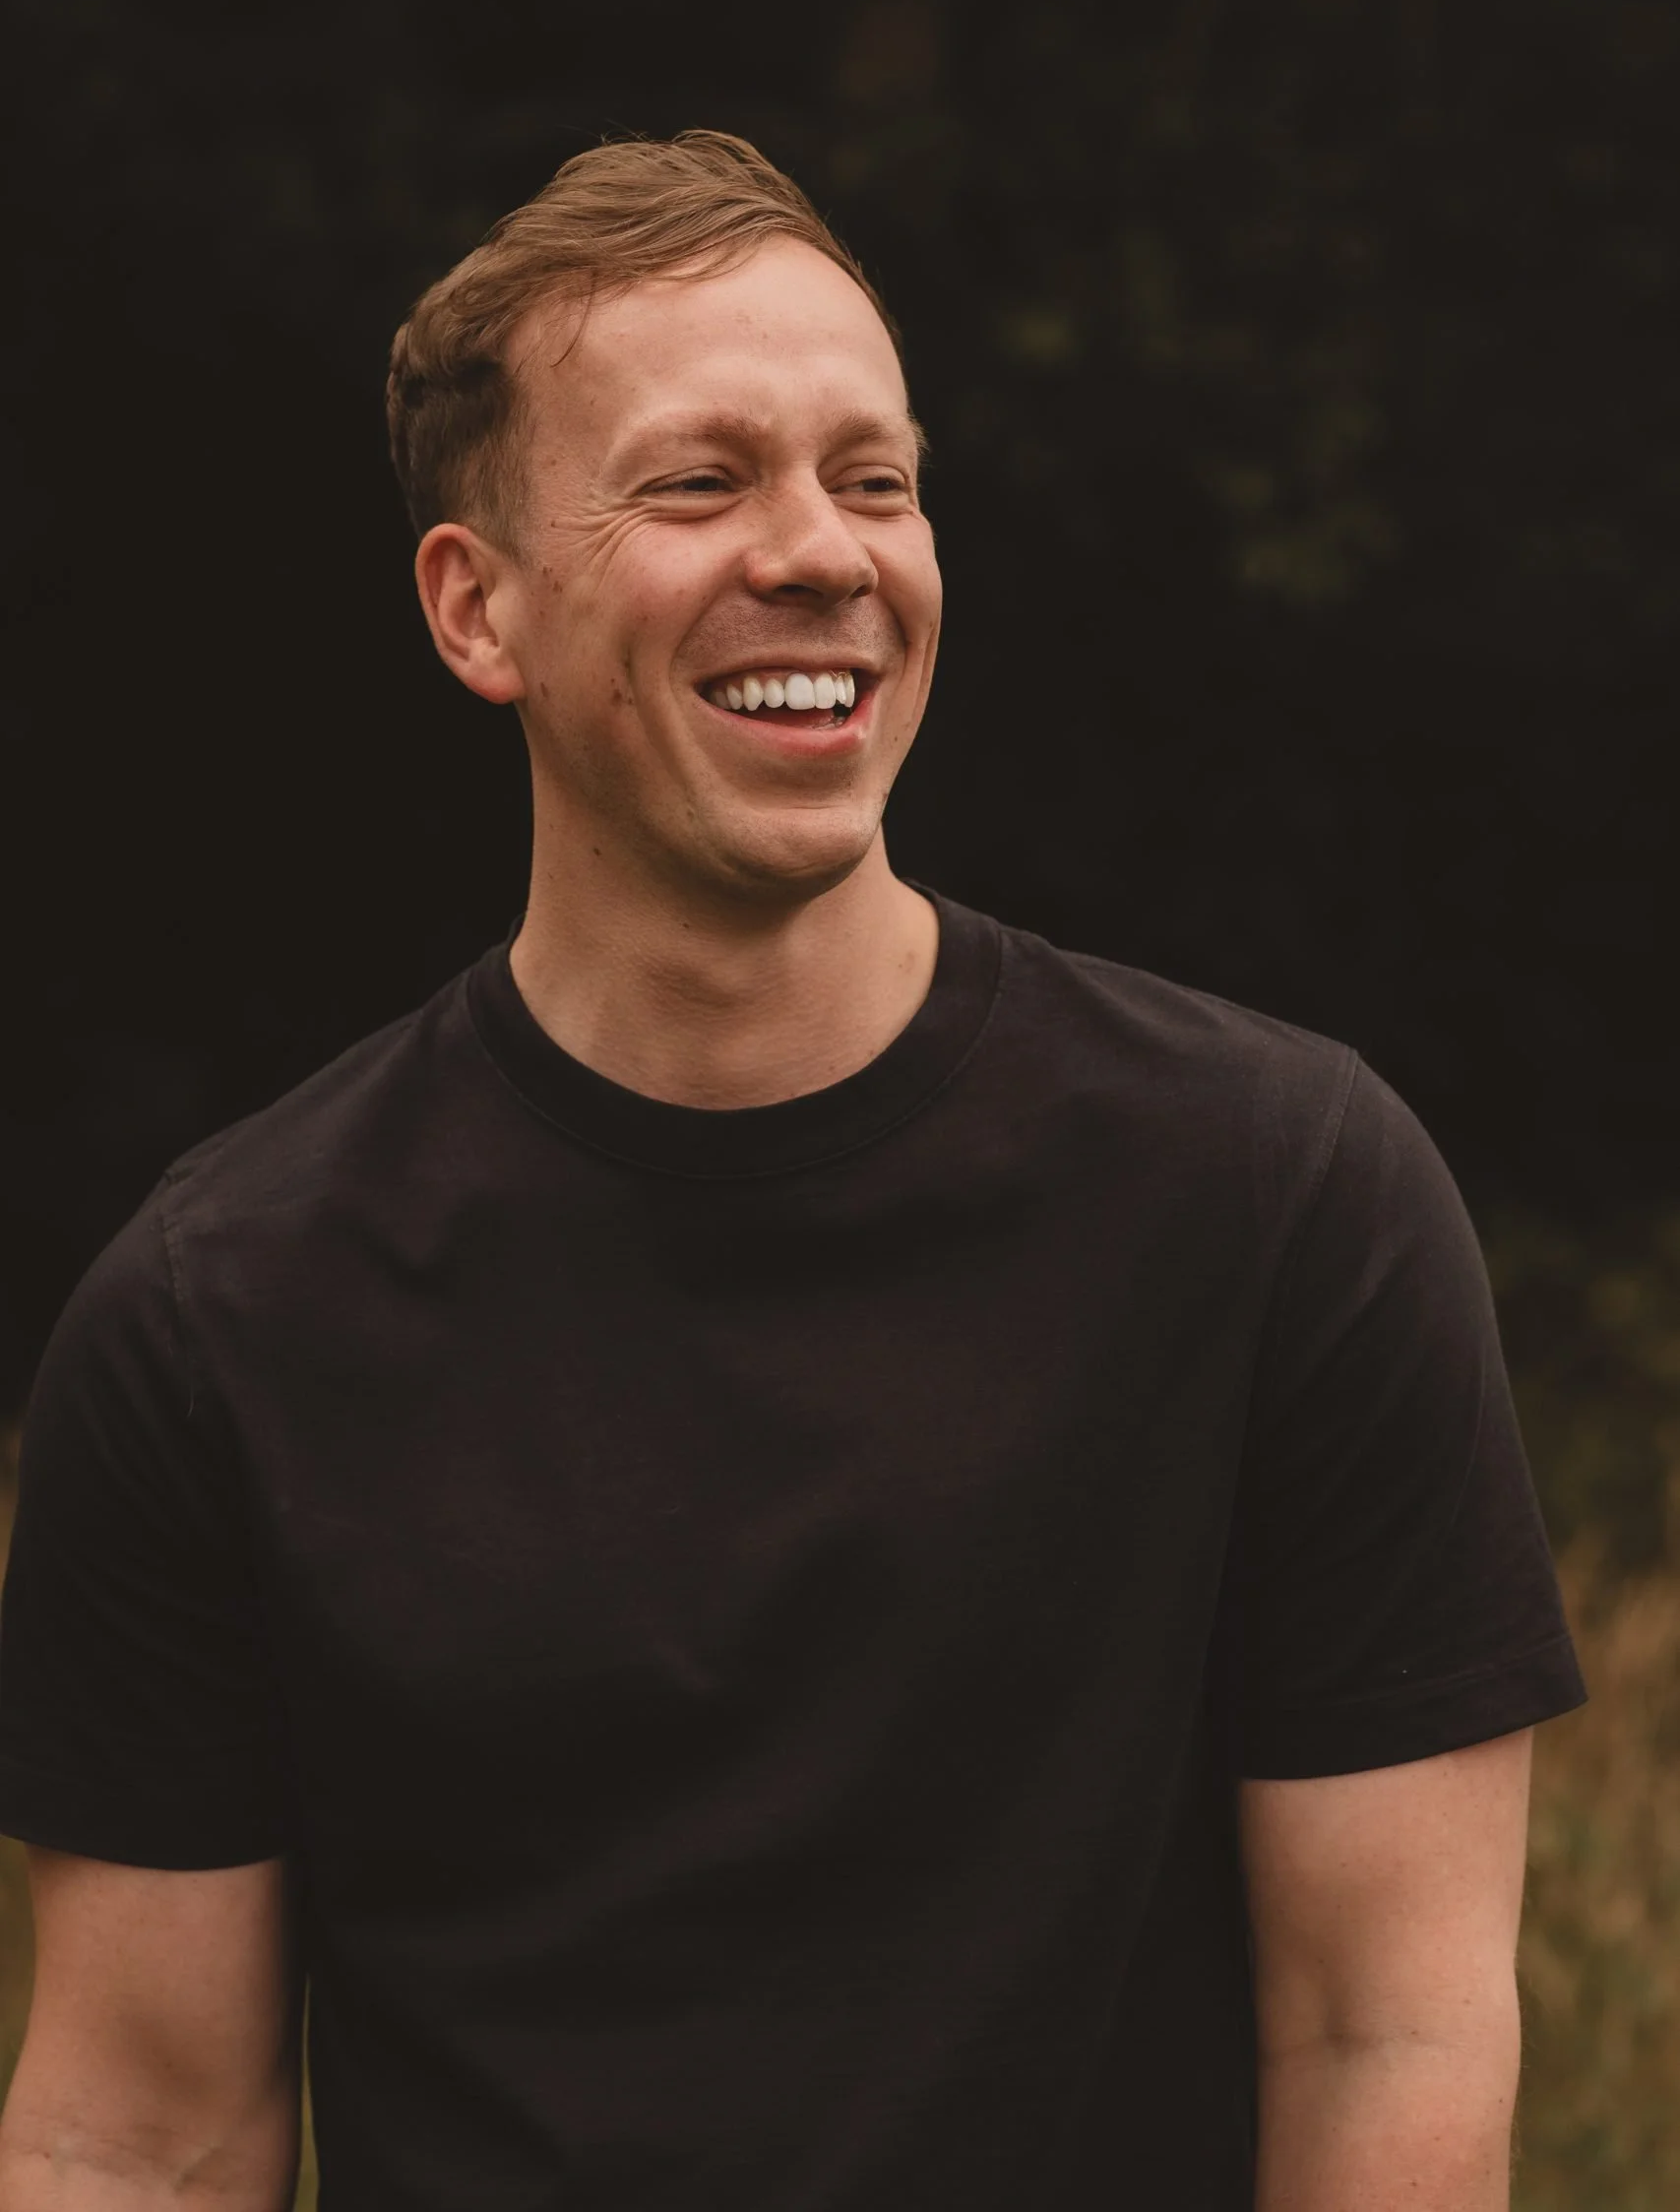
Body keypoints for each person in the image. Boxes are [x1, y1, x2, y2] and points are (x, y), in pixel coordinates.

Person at [0, 131, 1584, 2211]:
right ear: (478, 608)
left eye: (875, 473)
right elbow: (142, 2133)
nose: (826, 550)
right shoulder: (221, 1312)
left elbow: (1384, 2028)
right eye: (699, 479)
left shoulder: (1287, 1198)